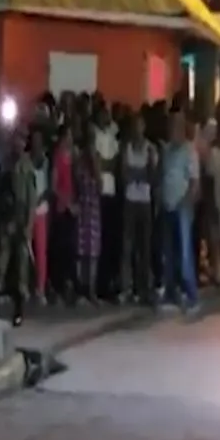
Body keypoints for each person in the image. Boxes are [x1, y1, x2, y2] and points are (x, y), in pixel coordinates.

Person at [0, 131, 37, 326]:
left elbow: (31, 200)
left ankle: (19, 310)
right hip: (6, 219)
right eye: (16, 139)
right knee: (0, 264)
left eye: (22, 140)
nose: (18, 143)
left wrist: (28, 225)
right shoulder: (4, 164)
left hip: (21, 219)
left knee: (21, 268)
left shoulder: (27, 166)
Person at [159, 110, 200, 313]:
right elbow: (163, 176)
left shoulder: (189, 151)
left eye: (176, 126)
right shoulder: (167, 150)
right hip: (167, 205)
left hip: (182, 207)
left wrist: (186, 203)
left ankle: (191, 295)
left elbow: (194, 182)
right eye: (170, 126)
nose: (172, 130)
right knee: (168, 252)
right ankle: (170, 293)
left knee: (184, 253)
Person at [119, 113, 158, 304]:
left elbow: (152, 176)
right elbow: (124, 175)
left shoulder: (150, 148)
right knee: (127, 246)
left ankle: (144, 287)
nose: (137, 129)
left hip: (144, 201)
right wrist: (140, 173)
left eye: (140, 125)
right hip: (130, 200)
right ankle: (126, 287)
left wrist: (137, 173)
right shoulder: (127, 147)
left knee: (145, 246)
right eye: (135, 125)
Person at [92, 103, 121, 299]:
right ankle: (100, 285)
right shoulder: (95, 135)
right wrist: (104, 164)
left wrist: (105, 164)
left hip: (112, 192)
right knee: (100, 241)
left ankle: (110, 282)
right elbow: (98, 163)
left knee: (111, 239)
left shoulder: (112, 136)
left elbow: (114, 163)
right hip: (100, 193)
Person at [203, 108, 220, 287]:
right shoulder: (213, 153)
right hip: (217, 200)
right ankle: (217, 272)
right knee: (215, 239)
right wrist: (211, 203)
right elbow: (209, 180)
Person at [50, 125, 77, 304]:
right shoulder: (57, 157)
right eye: (68, 136)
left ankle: (68, 285)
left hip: (71, 208)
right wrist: (67, 203)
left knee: (70, 249)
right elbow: (54, 186)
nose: (70, 139)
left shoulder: (72, 157)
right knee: (60, 248)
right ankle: (57, 287)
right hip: (61, 207)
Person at [74, 133, 103, 305]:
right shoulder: (80, 163)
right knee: (81, 251)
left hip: (93, 212)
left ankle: (91, 290)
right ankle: (81, 288)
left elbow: (100, 186)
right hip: (82, 209)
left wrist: (95, 166)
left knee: (93, 253)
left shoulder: (96, 163)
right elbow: (76, 184)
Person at [28, 129, 51, 305]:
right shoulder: (26, 161)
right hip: (27, 210)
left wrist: (40, 198)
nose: (36, 143)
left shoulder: (46, 162)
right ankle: (27, 286)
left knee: (41, 251)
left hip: (41, 210)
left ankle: (40, 288)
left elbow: (49, 186)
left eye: (39, 140)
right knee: (26, 251)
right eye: (34, 139)